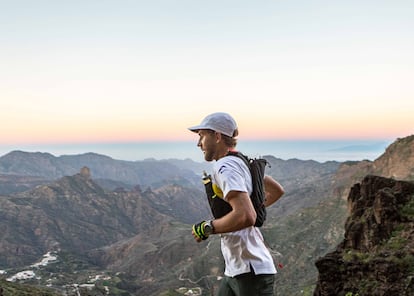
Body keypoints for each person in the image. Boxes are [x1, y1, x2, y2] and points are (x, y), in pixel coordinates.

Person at [188, 112, 285, 296]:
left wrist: (208, 227)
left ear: (216, 136)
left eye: (202, 135)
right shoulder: (242, 162)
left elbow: (246, 216)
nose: (198, 143)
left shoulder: (225, 167)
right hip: (237, 270)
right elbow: (277, 190)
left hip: (251, 273)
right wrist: (254, 207)